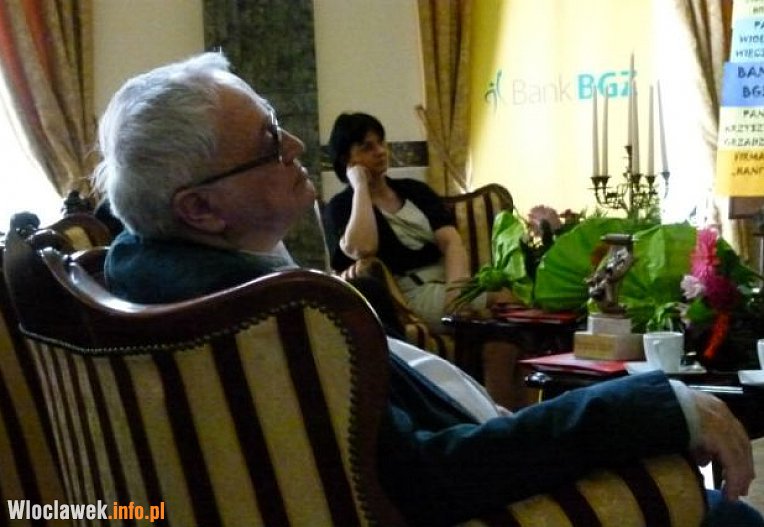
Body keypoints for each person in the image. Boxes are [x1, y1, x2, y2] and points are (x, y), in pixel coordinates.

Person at [93, 52, 762, 526]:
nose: (295, 142)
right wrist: (656, 405)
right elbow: (431, 476)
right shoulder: (272, 317)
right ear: (200, 209)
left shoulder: (160, 277)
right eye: (269, 139)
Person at [323, 112, 476, 330]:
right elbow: (364, 248)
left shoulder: (415, 190)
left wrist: (456, 291)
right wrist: (360, 187)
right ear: (347, 160)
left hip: (449, 283)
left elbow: (451, 241)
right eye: (367, 147)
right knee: (502, 300)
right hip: (407, 298)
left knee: (504, 318)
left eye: (381, 142)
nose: (380, 151)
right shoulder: (341, 206)